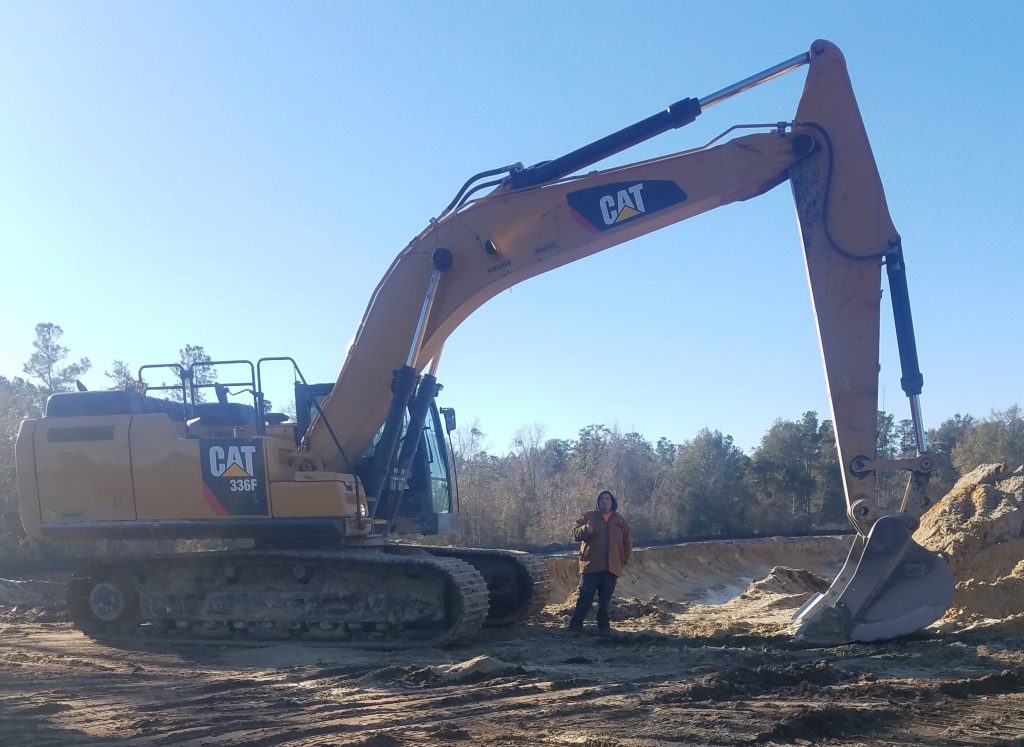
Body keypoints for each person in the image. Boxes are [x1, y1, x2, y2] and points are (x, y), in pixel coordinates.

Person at [567, 489, 632, 635]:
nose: (605, 501)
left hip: (611, 567)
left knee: (606, 599)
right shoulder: (588, 517)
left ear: (612, 501)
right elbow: (575, 534)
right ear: (598, 502)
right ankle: (575, 626)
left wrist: (623, 559)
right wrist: (586, 529)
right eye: (602, 498)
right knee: (585, 596)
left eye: (608, 498)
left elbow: (627, 542)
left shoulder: (619, 520)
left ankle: (604, 626)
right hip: (591, 565)